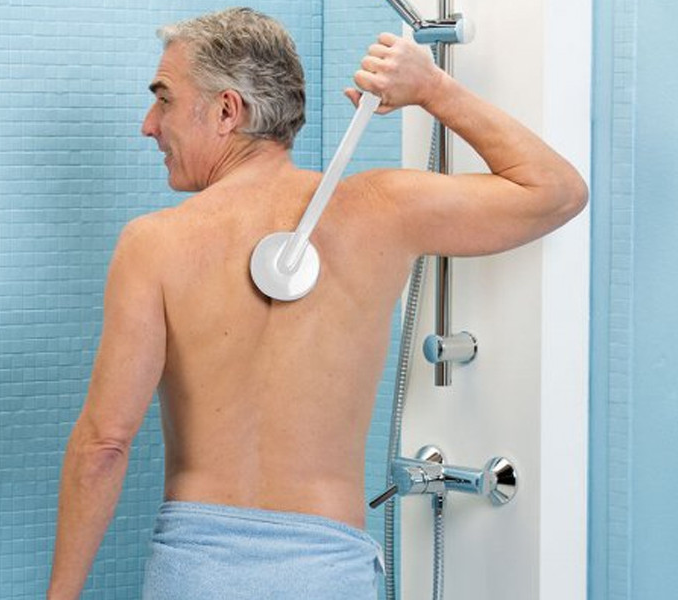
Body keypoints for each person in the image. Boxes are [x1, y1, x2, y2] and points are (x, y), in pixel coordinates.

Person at [47, 7, 587, 600]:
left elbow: (103, 446)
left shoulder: (153, 244)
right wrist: (435, 91)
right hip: (327, 573)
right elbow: (555, 191)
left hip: (197, 573)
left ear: (227, 111)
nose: (149, 125)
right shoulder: (379, 212)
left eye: (164, 100)